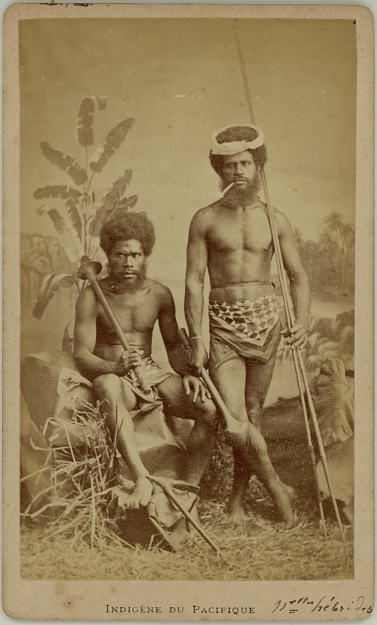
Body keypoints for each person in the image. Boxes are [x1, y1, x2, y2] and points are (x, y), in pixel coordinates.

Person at [184, 124, 310, 528]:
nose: (238, 172)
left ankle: (236, 501)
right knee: (235, 418)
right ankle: (277, 491)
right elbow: (193, 281)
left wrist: (302, 320)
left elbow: (298, 276)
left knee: (252, 414)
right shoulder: (204, 219)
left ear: (258, 168)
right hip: (222, 327)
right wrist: (197, 337)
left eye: (245, 164)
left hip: (267, 322)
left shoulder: (275, 219)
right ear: (219, 170)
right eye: (230, 165)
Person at [74, 212, 216, 511]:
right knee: (109, 385)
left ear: (145, 255)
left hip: (149, 372)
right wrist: (114, 367)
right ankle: (141, 477)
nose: (128, 263)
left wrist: (188, 373)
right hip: (111, 373)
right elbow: (82, 355)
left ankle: (187, 490)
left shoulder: (160, 294)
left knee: (208, 409)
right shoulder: (92, 296)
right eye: (120, 255)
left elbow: (174, 346)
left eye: (135, 255)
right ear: (109, 256)